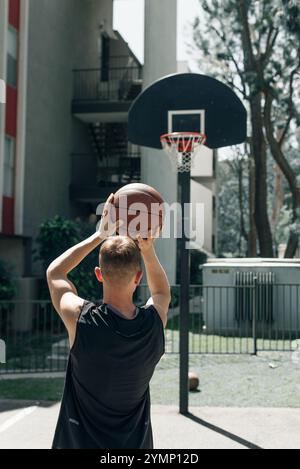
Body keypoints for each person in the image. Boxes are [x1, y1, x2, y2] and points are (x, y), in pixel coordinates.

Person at [46, 194, 171, 449]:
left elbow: (55, 272)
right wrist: (148, 250)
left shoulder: (80, 319)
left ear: (99, 275)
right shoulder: (152, 324)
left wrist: (99, 236)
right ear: (138, 277)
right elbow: (161, 293)